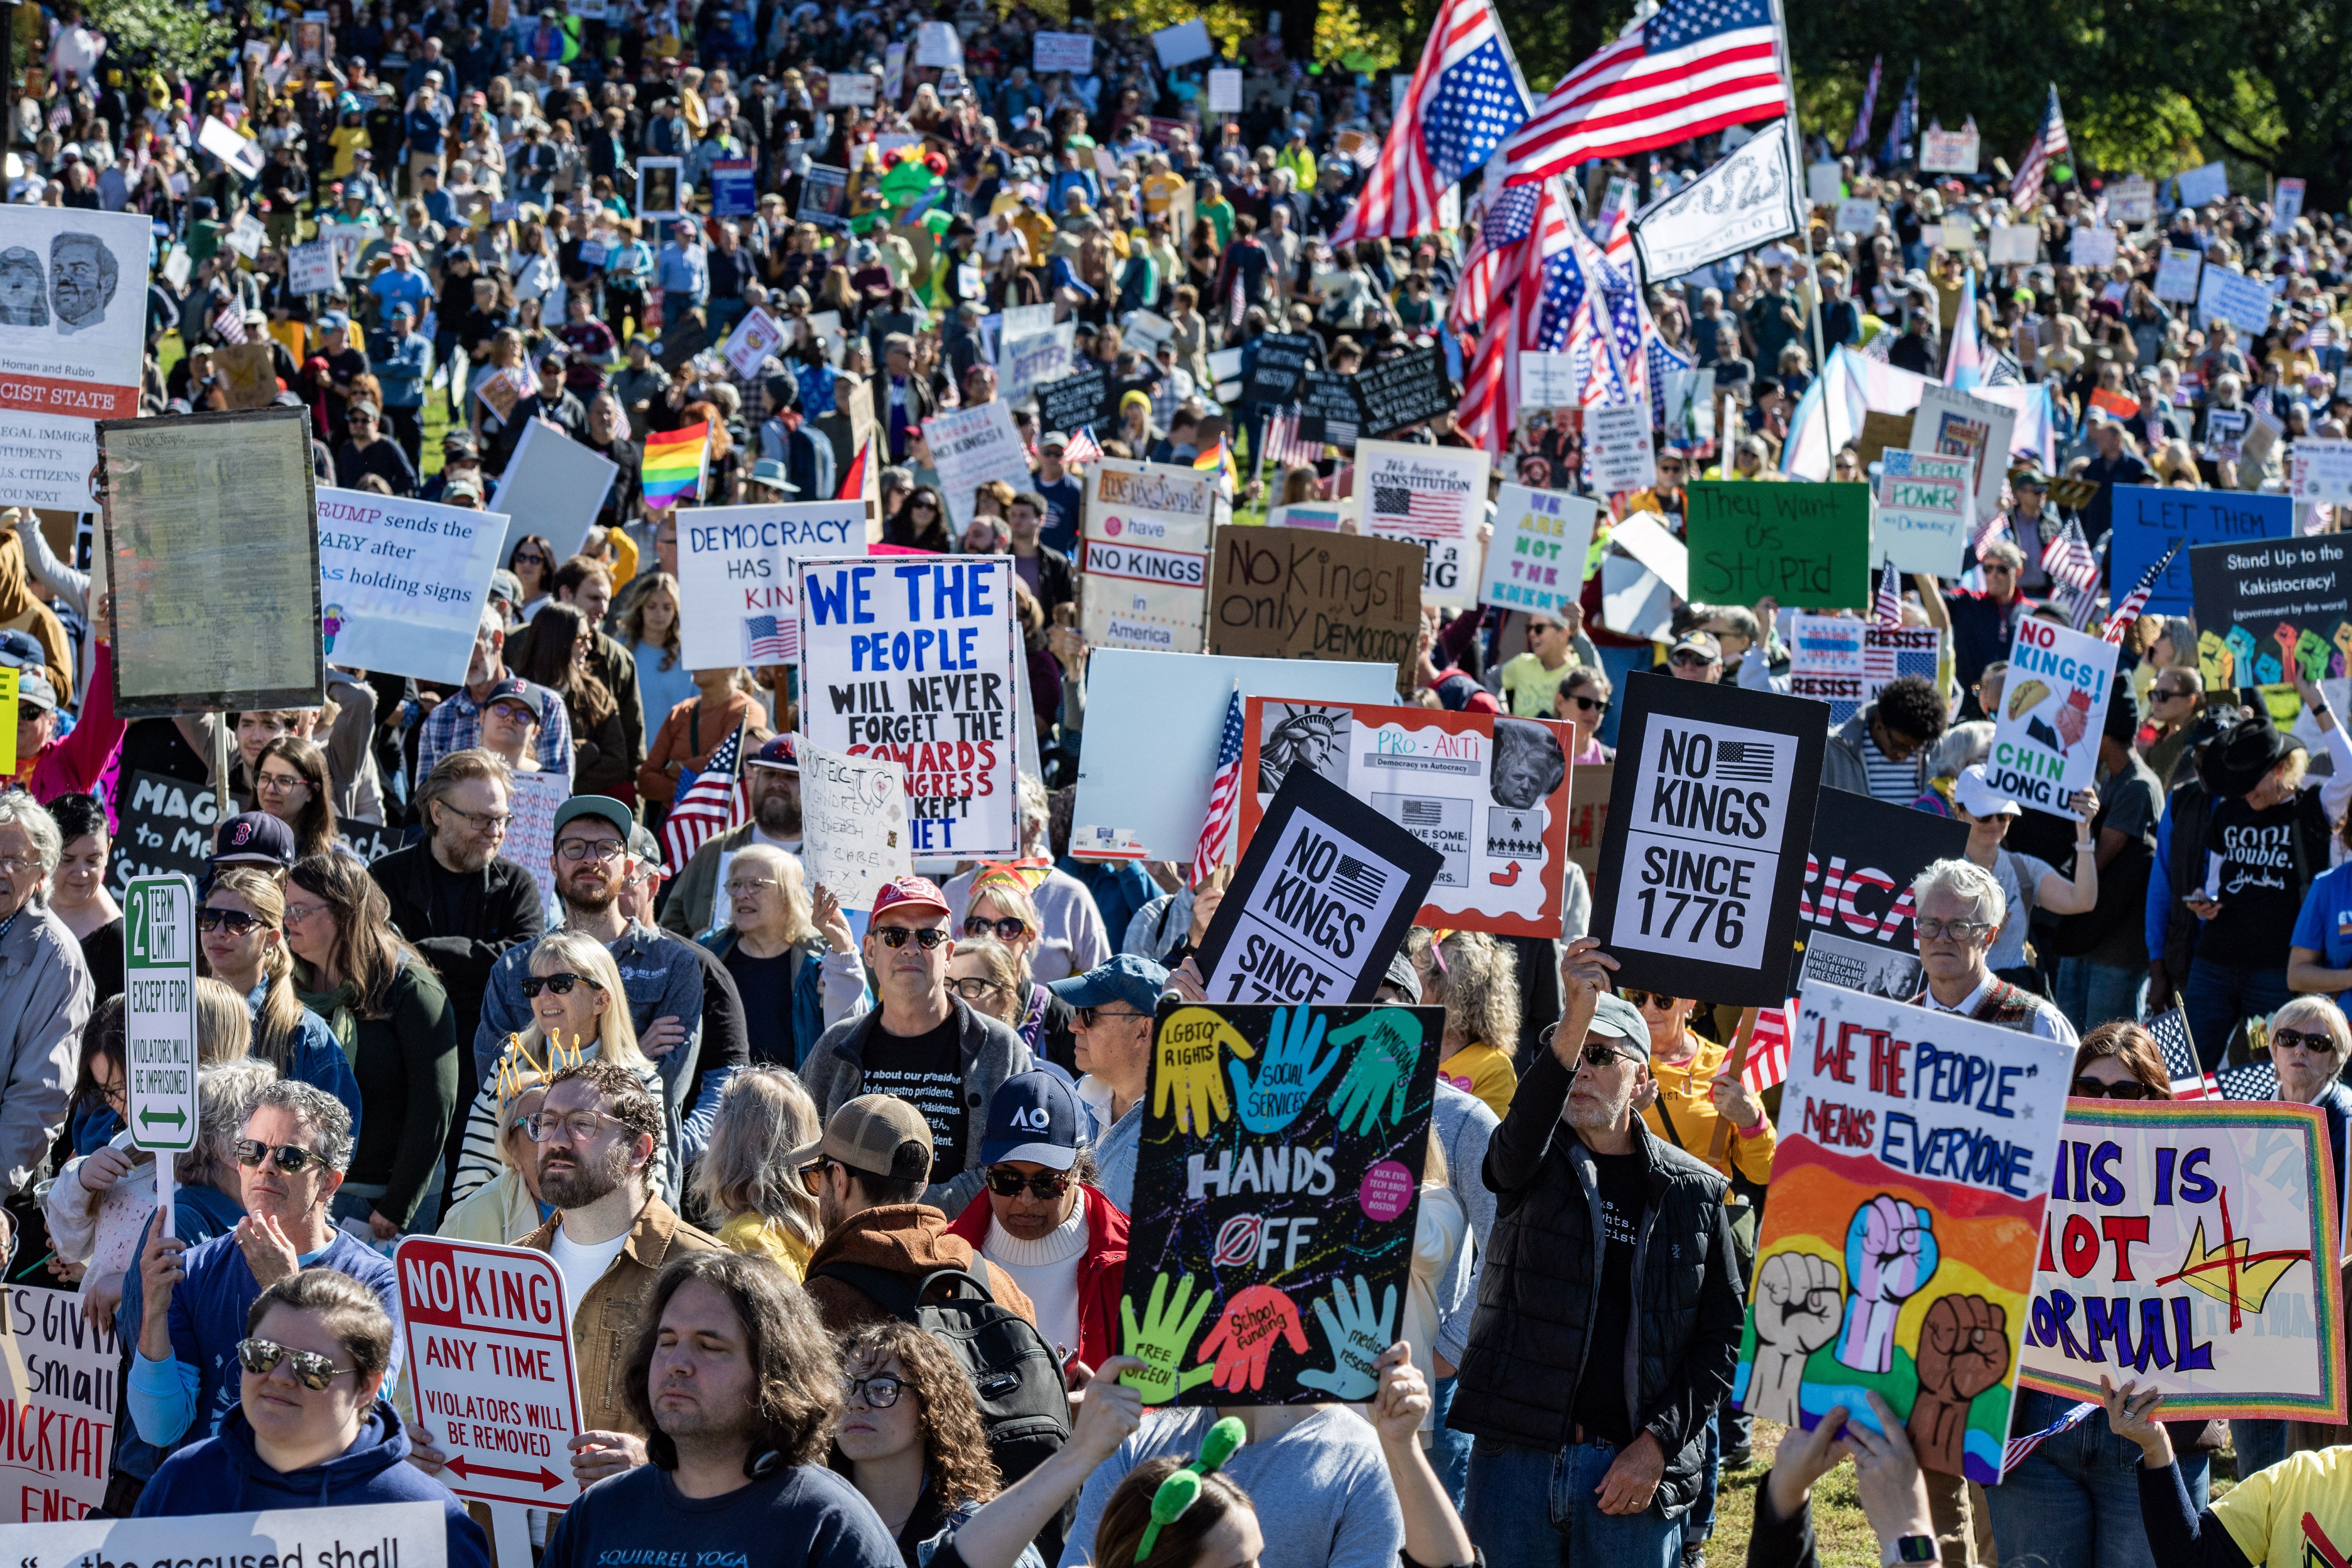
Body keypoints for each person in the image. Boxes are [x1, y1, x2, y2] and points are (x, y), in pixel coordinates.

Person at [1453, 942, 1745, 1566]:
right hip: (1515, 1467)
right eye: (1571, 1054)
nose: (1580, 1070)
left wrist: (1657, 1448)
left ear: (1643, 1079)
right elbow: (1512, 1146)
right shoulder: (1530, 1160)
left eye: (1600, 1056)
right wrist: (1573, 1017)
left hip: (1630, 1478)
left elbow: (1721, 1339)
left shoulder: (1694, 1191)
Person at [1979, 1020, 2211, 1567]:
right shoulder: (2027, 1173)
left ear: (2155, 1098)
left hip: (2151, 1441)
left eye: (2126, 1090)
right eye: (2088, 1088)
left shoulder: (2205, 1183)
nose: (2104, 1103)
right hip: (2037, 1431)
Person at [436, 1059, 719, 1490]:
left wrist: (655, 1458)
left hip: (629, 1537)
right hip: (508, 1539)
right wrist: (431, 1442)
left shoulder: (705, 1270)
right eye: (546, 1124)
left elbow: (755, 1418)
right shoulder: (506, 1268)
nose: (555, 1141)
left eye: (582, 1124)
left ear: (639, 1151)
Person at [539, 1250, 901, 1568]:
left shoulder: (828, 1525)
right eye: (666, 1342)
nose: (677, 1363)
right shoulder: (599, 1512)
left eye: (709, 1347)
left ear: (772, 1372)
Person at [132, 1268, 490, 1568]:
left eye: (312, 1367)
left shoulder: (431, 1524)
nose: (280, 1377)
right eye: (263, 1354)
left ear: (367, 1386)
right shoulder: (181, 1482)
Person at [128, 1081, 401, 1454]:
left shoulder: (375, 1280)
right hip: (221, 1496)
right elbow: (159, 1428)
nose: (266, 1168)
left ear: (329, 1184)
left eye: (289, 1158)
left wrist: (287, 1289)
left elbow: (363, 1413)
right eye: (254, 1151)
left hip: (310, 1498)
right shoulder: (195, 1269)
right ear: (239, 1164)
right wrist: (154, 1314)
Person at [474, 796, 706, 1186]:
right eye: (574, 848)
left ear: (628, 866)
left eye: (606, 848)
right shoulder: (513, 970)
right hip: (527, 1186)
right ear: (553, 864)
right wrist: (634, 1054)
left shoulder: (675, 966)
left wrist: (551, 1079)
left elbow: (662, 1088)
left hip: (636, 1186)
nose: (590, 860)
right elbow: (500, 1082)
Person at [370, 749, 546, 1206]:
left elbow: (523, 964)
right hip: (402, 1075)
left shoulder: (517, 886)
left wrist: (426, 954)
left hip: (488, 1069)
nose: (495, 833)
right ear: (438, 813)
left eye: (502, 820)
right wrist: (477, 965)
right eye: (481, 820)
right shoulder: (387, 878)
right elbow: (374, 961)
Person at [803, 878, 1033, 1215]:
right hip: (852, 1254)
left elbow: (1010, 1168)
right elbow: (802, 1154)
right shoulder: (835, 1048)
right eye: (895, 936)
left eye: (928, 938)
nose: (911, 949)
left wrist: (891, 1213)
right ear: (869, 950)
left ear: (949, 954)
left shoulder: (1000, 1048)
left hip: (960, 1253)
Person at [284, 854, 457, 1239]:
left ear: (342, 914)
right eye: (285, 907)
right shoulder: (288, 986)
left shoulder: (411, 988)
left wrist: (398, 1205)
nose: (287, 919)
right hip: (303, 1191)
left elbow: (435, 1104)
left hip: (380, 1205)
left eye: (299, 909)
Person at [2181, 705, 2351, 1066]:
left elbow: (2349, 771)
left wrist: (2318, 703)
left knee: (2263, 1068)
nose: (2243, 793)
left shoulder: (2313, 808)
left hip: (2273, 976)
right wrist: (2205, 901)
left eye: (2250, 783)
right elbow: (2213, 884)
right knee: (2188, 1067)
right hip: (2215, 966)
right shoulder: (2228, 811)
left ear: (2280, 769)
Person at [453, 931, 670, 1203]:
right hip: (509, 1230)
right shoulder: (511, 1065)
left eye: (560, 983)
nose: (543, 996)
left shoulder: (640, 1082)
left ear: (601, 1000)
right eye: (534, 986)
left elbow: (650, 1184)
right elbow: (474, 1171)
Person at [801, 1092, 1037, 1334]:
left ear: (840, 1180)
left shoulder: (818, 1308)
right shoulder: (999, 1286)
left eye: (817, 1176)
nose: (817, 1191)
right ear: (923, 1187)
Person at [944, 1071, 1127, 1373]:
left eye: (1048, 1182)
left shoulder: (1133, 1258)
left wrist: (1100, 1407)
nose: (1026, 1200)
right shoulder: (946, 1258)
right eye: (1007, 1180)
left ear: (1078, 1170)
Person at [832, 1317, 1024, 1564]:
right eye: (844, 1387)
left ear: (929, 1405)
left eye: (882, 1388)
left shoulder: (978, 1532)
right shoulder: (803, 1514)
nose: (855, 1402)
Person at [198, 868, 365, 1129]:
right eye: (209, 918)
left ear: (271, 938)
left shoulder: (306, 1036)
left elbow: (337, 1142)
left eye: (238, 922)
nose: (219, 932)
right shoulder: (176, 1014)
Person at [0, 790, 92, 1244]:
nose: (1, 871)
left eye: (14, 860)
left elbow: (40, 1098)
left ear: (41, 876)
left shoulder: (58, 959)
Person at [704, 844, 869, 1067]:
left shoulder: (824, 960)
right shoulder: (710, 952)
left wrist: (837, 988)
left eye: (755, 885)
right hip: (719, 1096)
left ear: (788, 895)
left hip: (796, 1096)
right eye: (736, 885)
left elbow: (858, 1033)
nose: (741, 895)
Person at [1948, 765, 2103, 994]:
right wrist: (1977, 941)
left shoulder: (2023, 868)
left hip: (2013, 997)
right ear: (1959, 812)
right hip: (1960, 996)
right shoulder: (1943, 873)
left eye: (2004, 816)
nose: (1995, 824)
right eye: (1984, 816)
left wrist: (2083, 829)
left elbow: (2083, 900)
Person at [1908, 858, 2081, 1045]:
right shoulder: (1894, 1023)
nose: (1942, 938)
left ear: (1989, 937)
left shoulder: (2041, 1027)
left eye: (1959, 926)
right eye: (1931, 924)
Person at [1050, 954, 1167, 1214]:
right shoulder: (1074, 1100)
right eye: (1077, 1012)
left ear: (1144, 1031)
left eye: (1089, 1015)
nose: (1073, 1025)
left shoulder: (1179, 1127)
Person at [415, 606, 575, 785]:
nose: (463, 658)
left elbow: (558, 791)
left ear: (498, 641)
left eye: (471, 646)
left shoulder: (546, 705)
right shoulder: (440, 718)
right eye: (454, 649)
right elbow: (424, 800)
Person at [694, 1064, 826, 1279]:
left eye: (714, 1126)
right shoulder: (815, 1236)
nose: (710, 1140)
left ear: (731, 1144)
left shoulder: (740, 1242)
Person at [664, 735, 805, 936]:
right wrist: (695, 951)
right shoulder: (715, 851)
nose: (777, 784)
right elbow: (671, 927)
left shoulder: (829, 861)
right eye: (769, 774)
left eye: (790, 777)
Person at [958, 870, 1076, 1070]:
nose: (991, 938)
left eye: (1008, 927)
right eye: (979, 926)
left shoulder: (1057, 1015)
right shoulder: (951, 1005)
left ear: (1030, 938)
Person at [1414, 929, 1519, 1119]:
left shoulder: (1494, 1069)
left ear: (1449, 990)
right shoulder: (1407, 1045)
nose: (1408, 986)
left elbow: (1485, 1144)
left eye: (1416, 975)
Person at [1822, 673, 1951, 804]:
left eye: (1915, 749)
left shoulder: (1937, 750)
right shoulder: (1835, 749)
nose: (1903, 756)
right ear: (1880, 722)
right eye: (1899, 745)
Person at [45, 791, 122, 1006]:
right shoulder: (19, 908)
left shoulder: (119, 941)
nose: (81, 873)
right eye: (67, 860)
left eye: (92, 861)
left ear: (108, 852)